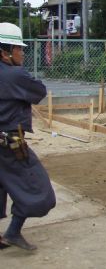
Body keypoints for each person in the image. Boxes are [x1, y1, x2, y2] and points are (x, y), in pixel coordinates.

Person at [0, 23, 56, 251]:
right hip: (10, 146)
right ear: (4, 51)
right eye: (18, 49)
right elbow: (39, 91)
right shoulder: (14, 75)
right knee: (40, 192)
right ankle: (12, 232)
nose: (22, 53)